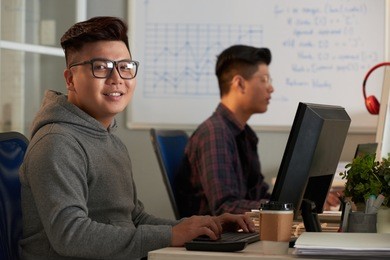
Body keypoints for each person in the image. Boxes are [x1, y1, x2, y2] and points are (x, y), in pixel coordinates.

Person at [18, 17, 255, 260]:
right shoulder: (57, 142)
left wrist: (201, 227)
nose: (117, 78)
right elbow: (70, 235)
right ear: (70, 79)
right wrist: (170, 236)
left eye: (125, 66)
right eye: (101, 66)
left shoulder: (111, 140)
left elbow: (134, 218)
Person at [176, 45, 273, 216]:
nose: (271, 88)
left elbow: (257, 193)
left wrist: (293, 205)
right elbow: (225, 207)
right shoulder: (215, 134)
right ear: (240, 84)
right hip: (216, 237)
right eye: (264, 79)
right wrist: (281, 209)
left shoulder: (245, 134)